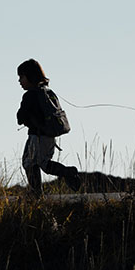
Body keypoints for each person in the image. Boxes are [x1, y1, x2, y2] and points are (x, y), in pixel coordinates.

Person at [16, 58, 82, 195]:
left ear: (30, 76)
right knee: (41, 163)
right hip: (48, 135)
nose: (19, 81)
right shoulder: (47, 92)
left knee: (31, 163)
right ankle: (38, 191)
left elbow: (20, 117)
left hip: (37, 136)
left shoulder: (29, 96)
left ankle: (37, 193)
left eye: (21, 77)